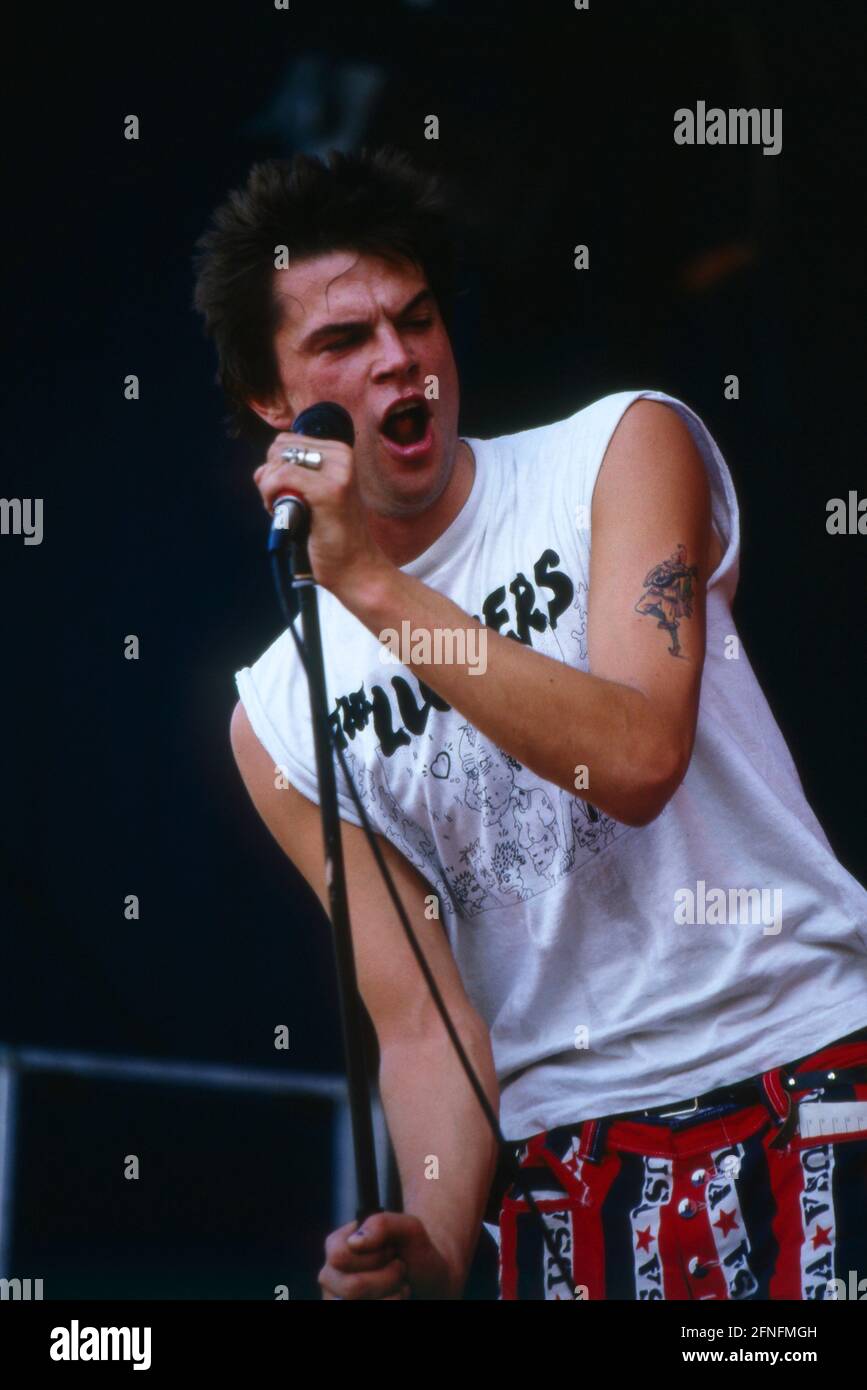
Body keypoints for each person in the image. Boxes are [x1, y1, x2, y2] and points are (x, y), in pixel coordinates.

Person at [193, 148, 867, 1301]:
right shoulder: (274, 719)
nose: (400, 358)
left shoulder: (618, 453)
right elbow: (421, 1027)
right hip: (571, 1169)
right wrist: (442, 1241)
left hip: (803, 1072)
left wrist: (373, 587)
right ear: (272, 402)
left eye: (416, 318)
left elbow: (641, 756)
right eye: (343, 343)